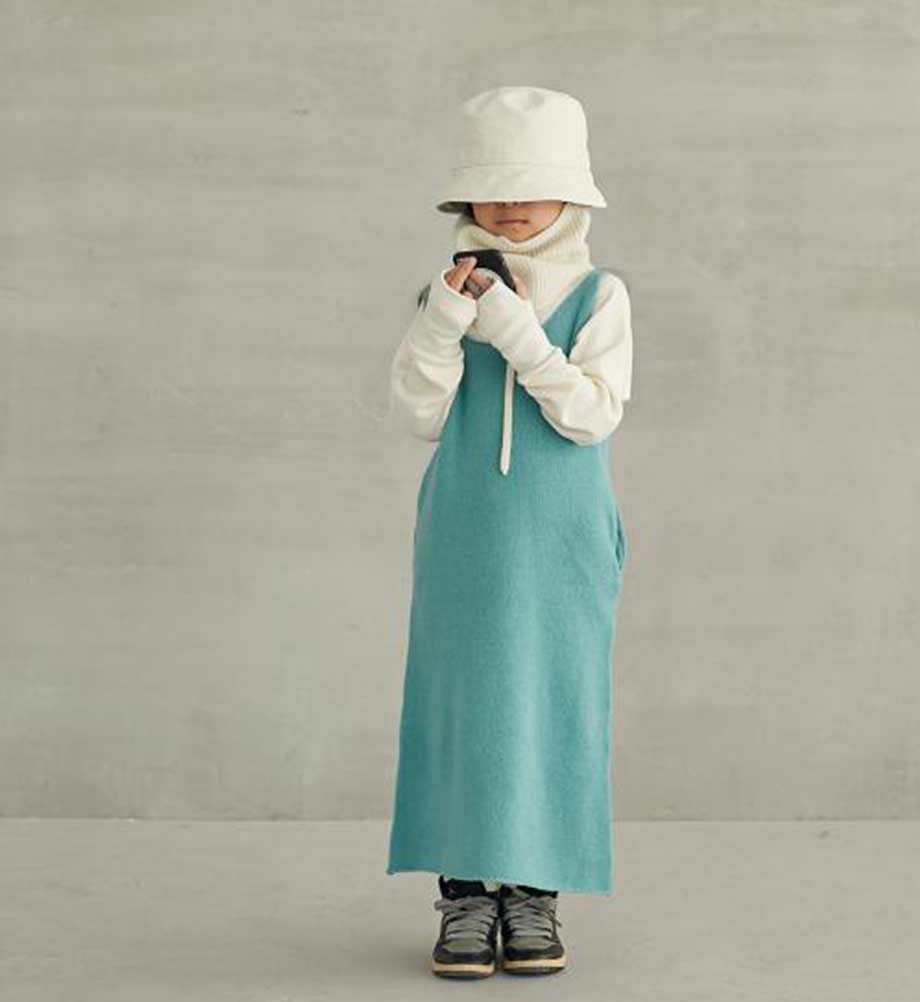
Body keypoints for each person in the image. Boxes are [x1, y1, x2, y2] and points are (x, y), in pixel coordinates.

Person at [385, 86, 633, 979]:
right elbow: (418, 414)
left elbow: (590, 416)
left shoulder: (600, 295)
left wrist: (517, 329)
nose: (513, 204)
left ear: (572, 192)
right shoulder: (444, 293)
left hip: (563, 531)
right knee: (460, 703)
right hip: (466, 528)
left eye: (532, 184)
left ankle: (533, 893)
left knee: (552, 701)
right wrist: (448, 320)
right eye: (493, 187)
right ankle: (463, 894)